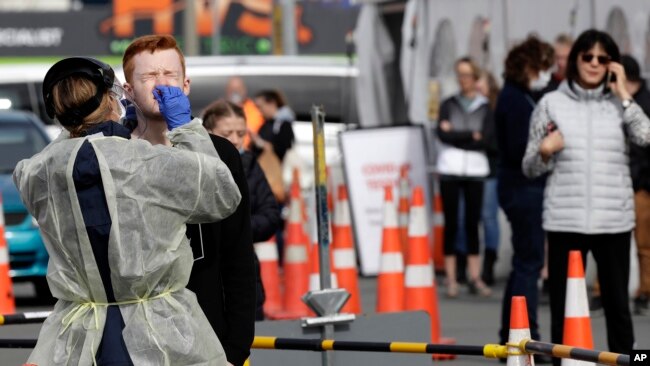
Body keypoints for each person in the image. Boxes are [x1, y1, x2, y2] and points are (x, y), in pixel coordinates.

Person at [14, 57, 241, 365]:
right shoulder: (146, 162)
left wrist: (83, 126)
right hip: (159, 335)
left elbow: (69, 153)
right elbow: (221, 194)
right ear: (113, 99)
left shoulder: (35, 174)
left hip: (79, 339)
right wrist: (186, 128)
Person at [122, 35, 256, 366]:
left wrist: (238, 344)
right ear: (128, 91)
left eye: (169, 75)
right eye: (149, 77)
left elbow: (238, 254)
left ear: (186, 85)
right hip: (134, 337)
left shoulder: (221, 152)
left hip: (207, 333)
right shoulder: (116, 154)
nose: (161, 85)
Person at [523, 29, 650, 363]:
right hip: (566, 220)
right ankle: (563, 361)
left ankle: (624, 360)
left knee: (617, 307)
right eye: (587, 56)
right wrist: (545, 152)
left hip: (614, 221)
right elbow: (529, 167)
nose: (594, 64)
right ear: (576, 59)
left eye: (602, 58)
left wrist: (623, 93)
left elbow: (646, 137)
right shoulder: (550, 103)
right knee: (565, 304)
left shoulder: (620, 105)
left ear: (612, 64)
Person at [495, 36, 555, 359]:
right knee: (529, 264)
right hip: (523, 187)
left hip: (518, 186)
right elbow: (521, 150)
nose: (546, 73)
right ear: (528, 66)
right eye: (543, 66)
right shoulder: (516, 101)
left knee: (524, 263)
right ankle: (526, 335)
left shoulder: (517, 96)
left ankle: (512, 332)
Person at [202, 99, 282, 320]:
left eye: (241, 133)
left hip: (244, 272)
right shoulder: (196, 165)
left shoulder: (249, 164)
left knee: (249, 345)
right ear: (207, 132)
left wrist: (238, 229)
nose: (236, 140)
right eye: (227, 133)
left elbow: (270, 215)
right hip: (205, 274)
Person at [435, 56, 495, 298]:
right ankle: (451, 278)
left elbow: (489, 138)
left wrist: (458, 134)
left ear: (476, 77)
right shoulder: (448, 103)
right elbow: (442, 134)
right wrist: (472, 135)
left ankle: (475, 276)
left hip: (475, 170)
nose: (463, 80)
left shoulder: (484, 105)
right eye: (459, 74)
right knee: (451, 223)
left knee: (472, 223)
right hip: (450, 167)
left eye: (468, 74)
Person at [454, 70, 501, 286]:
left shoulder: (493, 111)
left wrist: (473, 138)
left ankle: (488, 264)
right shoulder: (469, 109)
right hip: (468, 170)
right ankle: (463, 264)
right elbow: (455, 134)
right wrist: (471, 137)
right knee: (465, 218)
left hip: (489, 171)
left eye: (481, 88)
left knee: (488, 217)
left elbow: (491, 142)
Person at [622, 54, 650, 316]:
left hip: (641, 185)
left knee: (644, 244)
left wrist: (642, 181)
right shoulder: (615, 100)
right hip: (620, 183)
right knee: (609, 241)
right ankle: (601, 291)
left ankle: (645, 291)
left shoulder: (644, 102)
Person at [252, 89, 296, 162]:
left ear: (272, 103)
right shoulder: (267, 123)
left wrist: (260, 143)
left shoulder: (283, 124)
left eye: (260, 106)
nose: (258, 111)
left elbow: (283, 149)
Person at [225, 76, 264, 147]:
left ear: (244, 90)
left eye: (238, 89)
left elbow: (253, 129)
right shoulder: (221, 109)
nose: (235, 92)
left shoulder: (254, 109)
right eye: (232, 89)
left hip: (247, 151)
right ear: (227, 91)